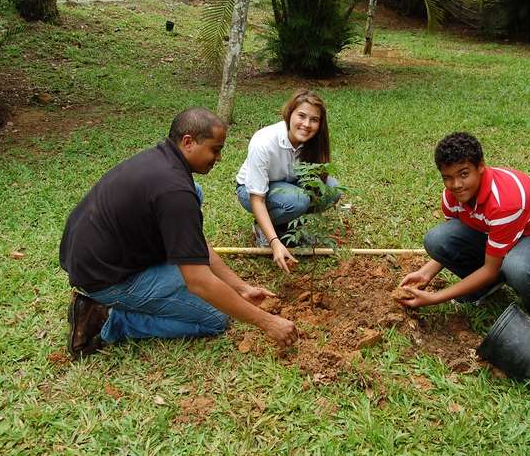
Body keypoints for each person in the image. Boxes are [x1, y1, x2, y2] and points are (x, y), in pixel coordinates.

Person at [60, 107, 298, 358]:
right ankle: (103, 315)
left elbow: (193, 242)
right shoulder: (174, 194)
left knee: (195, 192)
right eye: (215, 149)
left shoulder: (162, 159)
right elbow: (199, 281)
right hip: (106, 277)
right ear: (188, 142)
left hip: (94, 252)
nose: (219, 158)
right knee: (213, 318)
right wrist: (267, 322)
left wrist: (240, 287)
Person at [394, 132, 530, 339]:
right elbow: (456, 242)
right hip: (496, 233)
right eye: (447, 177)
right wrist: (426, 273)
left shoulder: (504, 202)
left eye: (463, 174)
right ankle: (487, 286)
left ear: (480, 166)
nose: (456, 185)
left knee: (517, 267)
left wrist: (436, 297)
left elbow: (490, 268)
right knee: (437, 239)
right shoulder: (452, 197)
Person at [236, 89, 341, 272]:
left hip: (288, 186)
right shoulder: (264, 142)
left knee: (332, 189)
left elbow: (316, 182)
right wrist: (275, 243)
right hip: (250, 191)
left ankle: (292, 231)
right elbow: (258, 198)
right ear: (289, 113)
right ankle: (263, 230)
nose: (306, 124)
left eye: (314, 120)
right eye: (301, 116)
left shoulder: (313, 142)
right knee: (298, 200)